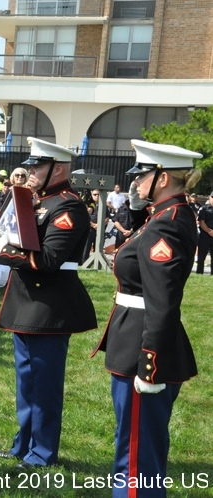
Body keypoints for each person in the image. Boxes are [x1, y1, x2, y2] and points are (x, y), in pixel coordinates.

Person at [92, 140, 202, 495]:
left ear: (163, 178)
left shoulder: (164, 225)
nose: (136, 182)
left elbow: (162, 302)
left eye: (142, 176)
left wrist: (149, 362)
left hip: (142, 345)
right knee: (138, 447)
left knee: (137, 456)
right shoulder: (165, 216)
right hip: (135, 338)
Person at [0, 137, 97, 469]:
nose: (31, 171)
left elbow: (47, 259)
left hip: (49, 304)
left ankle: (43, 452)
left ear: (58, 169)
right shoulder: (37, 202)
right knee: (27, 382)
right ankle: (24, 445)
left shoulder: (68, 206)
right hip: (27, 301)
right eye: (31, 166)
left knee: (44, 385)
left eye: (38, 166)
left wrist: (6, 248)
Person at [195, 192, 213, 274]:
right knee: (201, 258)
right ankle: (199, 273)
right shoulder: (204, 209)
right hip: (204, 236)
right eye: (212, 197)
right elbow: (201, 222)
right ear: (209, 197)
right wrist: (209, 231)